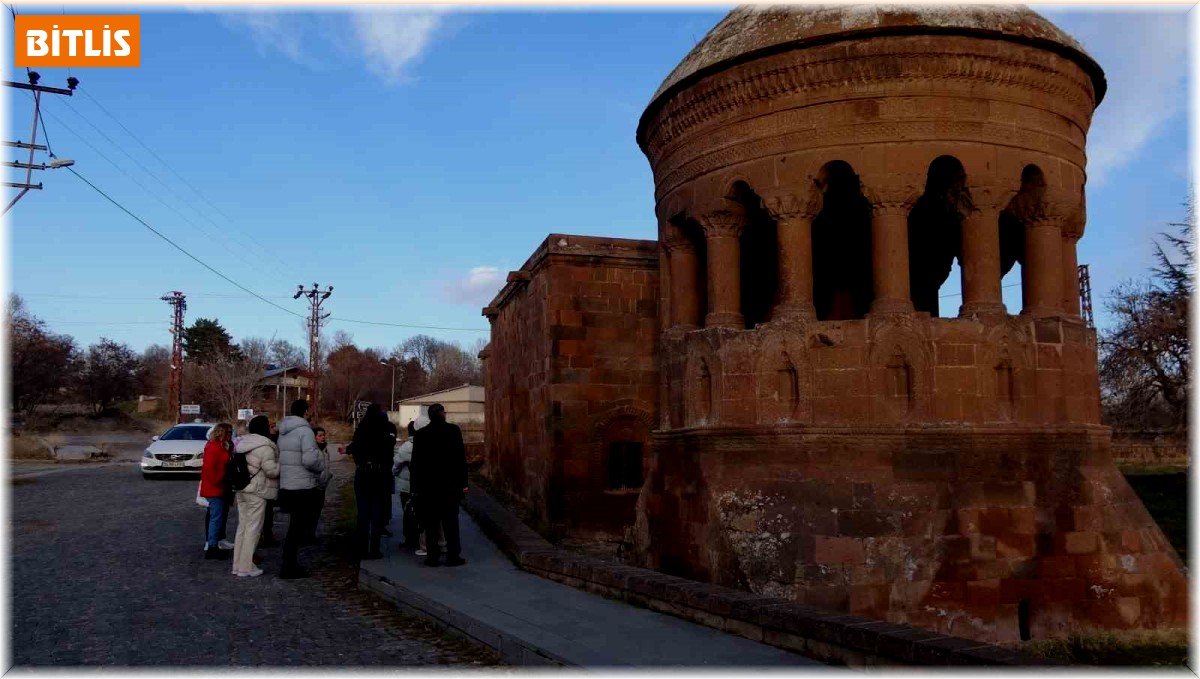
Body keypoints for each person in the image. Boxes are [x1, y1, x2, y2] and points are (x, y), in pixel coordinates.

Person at [410, 403, 468, 567]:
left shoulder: (421, 435)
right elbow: (460, 459)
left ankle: (432, 556)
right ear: (442, 414)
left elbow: (416, 464)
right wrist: (464, 482)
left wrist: (415, 488)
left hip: (428, 487)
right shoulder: (453, 431)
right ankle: (453, 556)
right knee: (451, 524)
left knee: (431, 524)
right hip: (450, 486)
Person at [277, 399, 327, 579]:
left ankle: (288, 563)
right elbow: (309, 459)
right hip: (302, 485)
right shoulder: (305, 431)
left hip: (287, 484)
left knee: (293, 527)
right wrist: (321, 463)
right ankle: (289, 566)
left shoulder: (283, 431)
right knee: (296, 528)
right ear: (305, 412)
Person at [232, 416, 280, 577]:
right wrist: (282, 465)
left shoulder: (241, 444)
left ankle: (237, 565)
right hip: (257, 491)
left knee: (242, 527)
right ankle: (246, 567)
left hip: (241, 488)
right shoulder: (265, 447)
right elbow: (271, 471)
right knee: (253, 529)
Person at [349, 404, 395, 560]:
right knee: (376, 513)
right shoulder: (386, 430)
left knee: (363, 513)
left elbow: (354, 448)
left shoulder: (361, 429)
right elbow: (389, 452)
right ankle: (374, 549)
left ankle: (361, 548)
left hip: (362, 473)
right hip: (380, 475)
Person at [199, 422, 235, 561]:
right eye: (229, 433)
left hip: (217, 486)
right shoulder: (214, 447)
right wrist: (221, 477)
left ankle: (214, 544)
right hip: (215, 487)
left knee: (217, 517)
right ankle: (212, 546)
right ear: (221, 433)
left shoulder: (219, 446)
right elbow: (208, 469)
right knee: (216, 518)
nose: (231, 435)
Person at [392, 417, 429, 551]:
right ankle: (424, 539)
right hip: (425, 486)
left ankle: (410, 538)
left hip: (406, 485)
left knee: (408, 512)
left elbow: (396, 464)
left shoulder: (406, 447)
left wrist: (396, 474)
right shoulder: (430, 445)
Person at [308, 426, 333, 544]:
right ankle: (308, 535)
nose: (323, 438)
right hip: (313, 486)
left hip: (323, 485)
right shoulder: (313, 450)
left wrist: (328, 476)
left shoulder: (325, 450)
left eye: (323, 435)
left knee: (317, 511)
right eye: (319, 435)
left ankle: (311, 534)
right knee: (311, 512)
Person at [260, 418, 281, 547]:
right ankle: (264, 535)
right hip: (264, 482)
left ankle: (267, 533)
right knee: (264, 510)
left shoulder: (277, 440)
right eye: (271, 426)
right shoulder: (265, 444)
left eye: (275, 426)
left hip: (272, 483)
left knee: (269, 510)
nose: (275, 429)